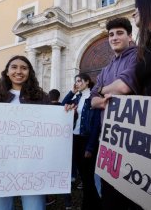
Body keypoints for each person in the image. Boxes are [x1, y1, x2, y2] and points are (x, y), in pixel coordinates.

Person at [0, 55, 49, 210]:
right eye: (14, 67)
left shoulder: (41, 98)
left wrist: (68, 112)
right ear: (6, 72)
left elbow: (53, 127)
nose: (19, 71)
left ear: (29, 73)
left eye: (24, 68)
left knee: (35, 207)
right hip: (0, 164)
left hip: (31, 164)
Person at [90, 17, 140, 209]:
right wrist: (101, 99)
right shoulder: (107, 67)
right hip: (108, 139)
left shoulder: (138, 56)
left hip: (132, 140)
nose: (114, 37)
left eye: (119, 33)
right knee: (110, 197)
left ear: (129, 36)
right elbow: (93, 100)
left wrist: (102, 89)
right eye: (111, 34)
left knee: (132, 197)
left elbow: (123, 87)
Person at [62, 73, 101, 210]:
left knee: (88, 176)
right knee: (83, 176)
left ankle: (91, 205)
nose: (77, 84)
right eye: (75, 81)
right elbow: (62, 106)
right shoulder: (77, 97)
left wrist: (90, 147)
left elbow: (96, 125)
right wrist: (72, 92)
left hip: (87, 140)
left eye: (79, 81)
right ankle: (91, 204)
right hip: (75, 139)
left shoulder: (94, 98)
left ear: (87, 81)